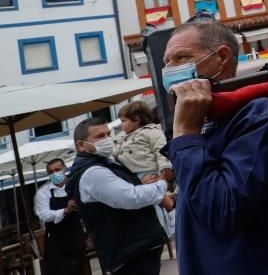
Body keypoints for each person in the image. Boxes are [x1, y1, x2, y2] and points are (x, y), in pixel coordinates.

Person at [162, 20, 268, 275]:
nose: (170, 69)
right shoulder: (210, 126)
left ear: (221, 57)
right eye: (166, 62)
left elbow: (223, 212)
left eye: (181, 57)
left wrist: (185, 136)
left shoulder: (260, 114)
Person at [65, 118, 169, 275]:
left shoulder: (106, 163)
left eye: (108, 134)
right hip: (130, 253)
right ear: (81, 145)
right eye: (100, 136)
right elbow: (131, 198)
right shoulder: (93, 172)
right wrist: (161, 185)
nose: (107, 139)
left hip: (135, 249)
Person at [33, 158, 87, 275]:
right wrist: (65, 210)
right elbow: (43, 215)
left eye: (57, 170)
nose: (54, 173)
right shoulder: (42, 193)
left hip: (76, 239)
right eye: (51, 172)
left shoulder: (75, 186)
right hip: (55, 244)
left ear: (64, 169)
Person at [115, 102, 172, 181]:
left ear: (137, 119)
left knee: (154, 190)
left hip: (148, 172)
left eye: (123, 121)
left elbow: (161, 149)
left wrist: (165, 166)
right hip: (129, 174)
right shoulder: (122, 136)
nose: (121, 125)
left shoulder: (150, 131)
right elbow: (115, 151)